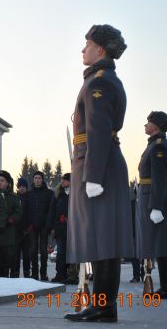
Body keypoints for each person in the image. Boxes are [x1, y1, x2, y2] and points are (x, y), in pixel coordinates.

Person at [65, 24, 133, 323]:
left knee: (102, 237)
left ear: (100, 50)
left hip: (97, 164)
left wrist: (92, 175)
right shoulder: (101, 78)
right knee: (101, 236)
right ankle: (104, 306)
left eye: (87, 44)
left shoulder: (99, 82)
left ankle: (102, 305)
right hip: (99, 161)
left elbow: (99, 130)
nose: (83, 50)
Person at [135, 111, 167, 298]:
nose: (145, 125)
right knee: (158, 244)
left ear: (155, 126)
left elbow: (160, 178)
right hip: (149, 197)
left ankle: (165, 287)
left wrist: (156, 206)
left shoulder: (158, 146)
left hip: (155, 200)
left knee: (161, 244)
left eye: (148, 122)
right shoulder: (153, 145)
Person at [0, 170, 22, 278]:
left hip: (8, 233)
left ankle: (5, 282)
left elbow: (18, 212)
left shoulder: (13, 197)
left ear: (7, 182)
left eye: (2, 180)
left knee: (6, 261)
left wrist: (11, 220)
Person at [27, 171, 54, 281]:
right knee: (33, 250)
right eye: (35, 178)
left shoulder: (49, 193)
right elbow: (27, 210)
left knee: (43, 251)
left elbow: (51, 210)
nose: (37, 180)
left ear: (42, 179)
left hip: (44, 226)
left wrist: (49, 225)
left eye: (39, 178)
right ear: (33, 180)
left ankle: (43, 273)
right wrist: (29, 224)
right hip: (33, 226)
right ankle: (34, 273)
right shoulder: (30, 194)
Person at [47, 173, 71, 283]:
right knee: (61, 252)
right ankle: (60, 273)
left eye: (65, 180)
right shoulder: (58, 195)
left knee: (71, 253)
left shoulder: (75, 195)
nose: (63, 182)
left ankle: (71, 274)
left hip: (72, 229)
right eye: (62, 180)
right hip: (60, 229)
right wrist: (51, 226)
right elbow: (52, 211)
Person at [14, 178, 31, 278]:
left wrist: (30, 226)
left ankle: (26, 272)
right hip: (16, 229)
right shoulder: (15, 198)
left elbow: (32, 213)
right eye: (19, 186)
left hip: (27, 230)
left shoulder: (29, 198)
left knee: (26, 254)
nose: (21, 188)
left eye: (23, 187)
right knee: (16, 253)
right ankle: (15, 272)